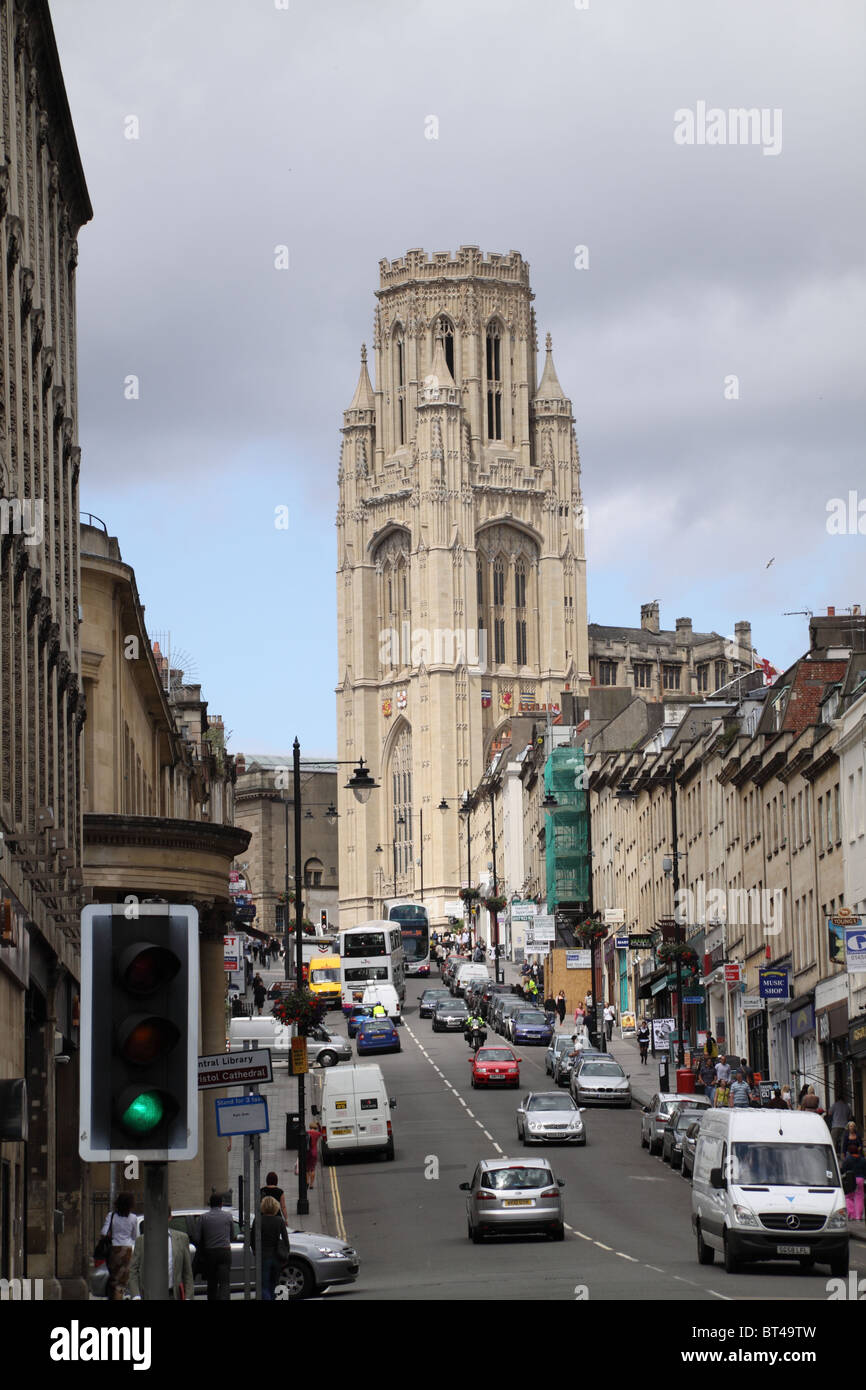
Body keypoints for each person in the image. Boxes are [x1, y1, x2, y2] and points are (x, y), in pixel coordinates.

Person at [128, 1221, 194, 1301]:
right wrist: (136, 1295)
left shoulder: (182, 1238)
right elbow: (133, 1270)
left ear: (169, 1218)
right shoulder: (141, 1241)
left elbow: (187, 1272)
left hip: (172, 1294)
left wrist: (188, 1297)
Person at [100, 1193, 139, 1301]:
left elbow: (103, 1232)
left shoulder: (111, 1216)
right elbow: (134, 1235)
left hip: (114, 1249)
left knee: (115, 1280)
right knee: (124, 1281)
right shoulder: (133, 1218)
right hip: (127, 1250)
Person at [251, 1196, 290, 1301]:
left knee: (264, 1285)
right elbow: (286, 1240)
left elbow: (252, 1239)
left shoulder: (258, 1220)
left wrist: (255, 1251)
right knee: (275, 1284)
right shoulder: (279, 1220)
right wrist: (286, 1255)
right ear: (275, 1207)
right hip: (277, 1256)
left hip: (263, 1256)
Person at [197, 1192, 234, 1300]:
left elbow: (196, 1237)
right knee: (224, 1283)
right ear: (221, 1204)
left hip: (210, 1253)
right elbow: (231, 1236)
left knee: (212, 1283)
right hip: (225, 1252)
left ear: (210, 1204)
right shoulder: (228, 1216)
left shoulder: (203, 1218)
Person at [306, 1121, 323, 1190]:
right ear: (315, 1127)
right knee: (312, 1168)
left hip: (307, 1152)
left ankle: (307, 1181)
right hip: (314, 1152)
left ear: (310, 1127)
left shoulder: (307, 1133)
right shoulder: (317, 1133)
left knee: (307, 1169)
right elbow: (322, 1133)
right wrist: (319, 1125)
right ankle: (311, 1184)